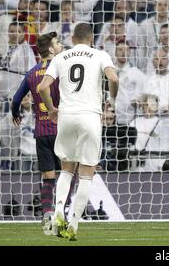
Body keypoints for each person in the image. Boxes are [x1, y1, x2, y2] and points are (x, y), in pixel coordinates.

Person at [38, 23, 119, 241]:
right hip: (90, 117)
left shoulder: (60, 57)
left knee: (65, 171)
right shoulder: (100, 54)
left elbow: (42, 87)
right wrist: (111, 100)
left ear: (73, 38)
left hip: (66, 117)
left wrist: (51, 108)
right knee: (86, 173)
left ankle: (57, 214)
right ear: (91, 39)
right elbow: (113, 78)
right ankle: (73, 225)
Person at [11, 32, 63, 231]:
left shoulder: (32, 72)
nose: (60, 46)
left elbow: (16, 100)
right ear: (51, 49)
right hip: (61, 129)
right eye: (57, 44)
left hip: (41, 132)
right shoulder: (59, 70)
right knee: (69, 173)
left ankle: (48, 217)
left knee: (48, 177)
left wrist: (16, 113)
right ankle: (62, 212)